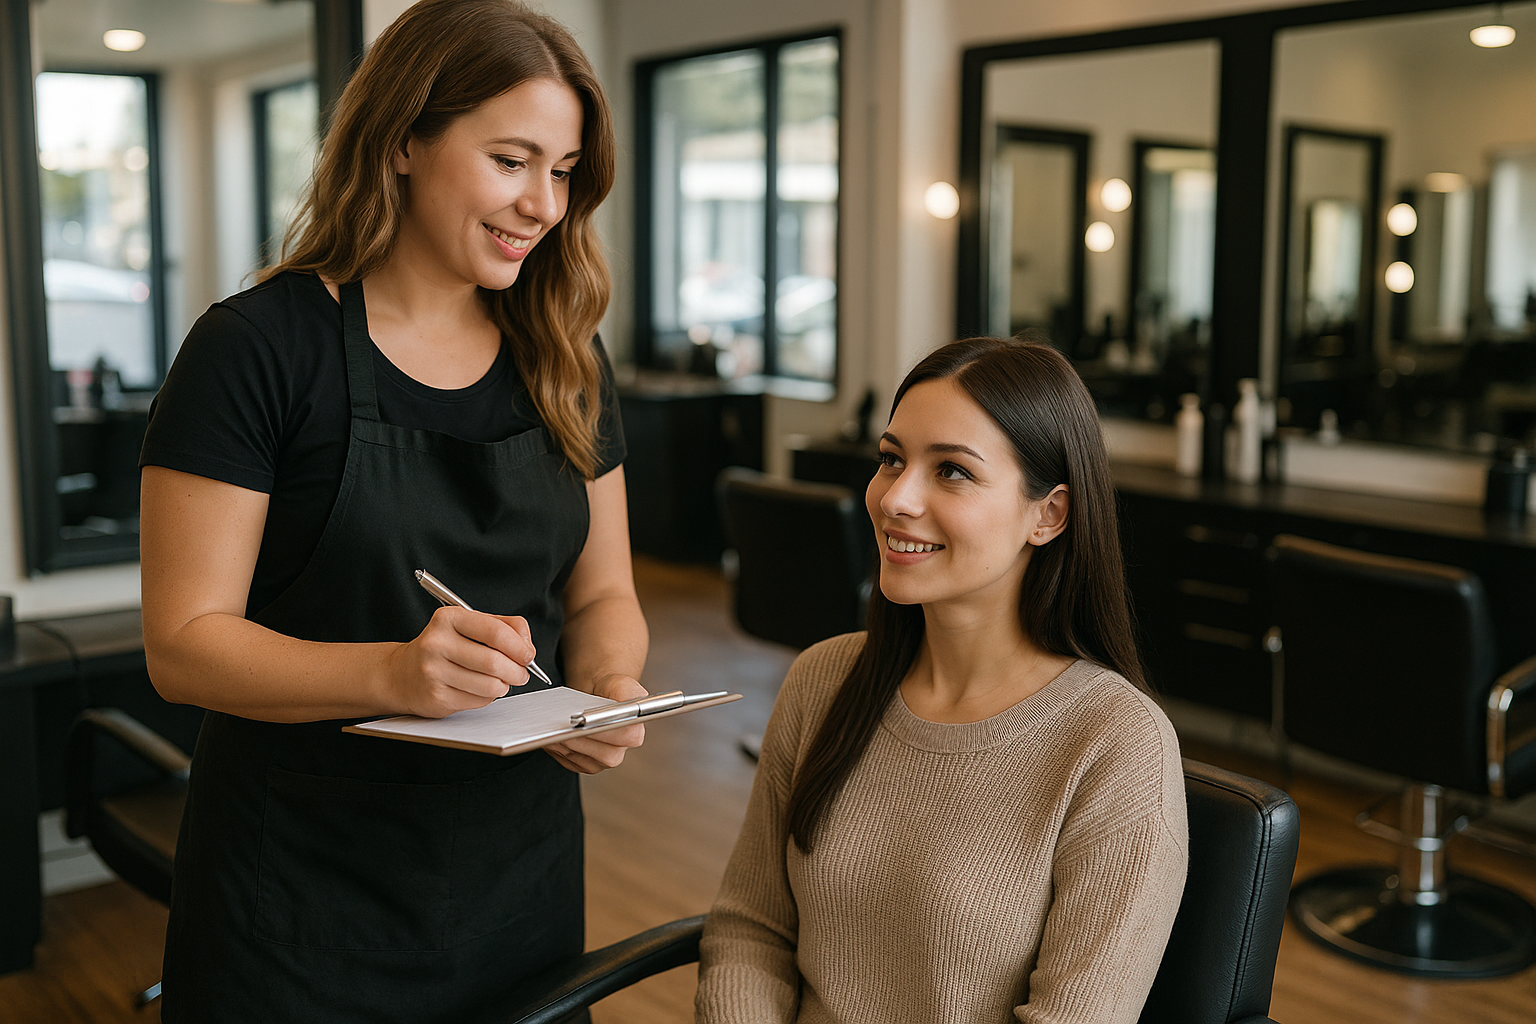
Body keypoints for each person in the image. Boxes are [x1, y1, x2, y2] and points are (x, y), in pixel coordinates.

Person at [136, 2, 646, 1020]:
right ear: (407, 139)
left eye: (562, 171)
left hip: (517, 881)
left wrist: (608, 685)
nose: (544, 203)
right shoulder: (257, 350)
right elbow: (184, 646)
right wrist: (395, 671)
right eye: (512, 159)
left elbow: (605, 590)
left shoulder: (566, 355)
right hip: (297, 899)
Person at [695, 337, 1189, 1024]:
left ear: (1048, 515)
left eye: (952, 471)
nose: (896, 498)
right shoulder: (823, 681)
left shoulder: (1116, 746)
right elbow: (752, 933)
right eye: (892, 459)